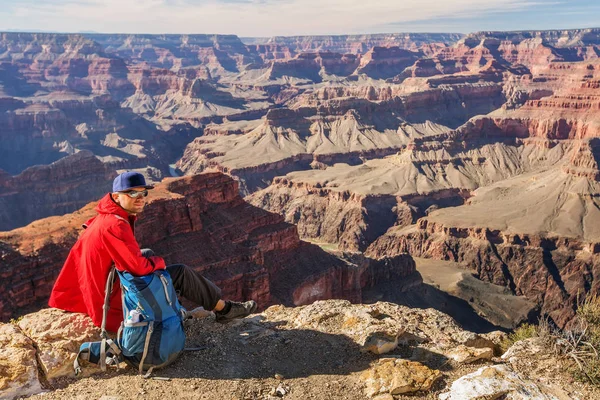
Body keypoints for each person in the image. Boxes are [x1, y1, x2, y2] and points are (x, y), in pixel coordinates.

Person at [48, 171, 257, 332]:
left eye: (143, 193)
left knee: (146, 252)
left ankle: (174, 307)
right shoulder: (115, 224)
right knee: (180, 273)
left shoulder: (104, 217)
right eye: (132, 193)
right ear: (115, 196)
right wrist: (159, 263)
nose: (140, 198)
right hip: (108, 299)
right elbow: (138, 269)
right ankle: (224, 310)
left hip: (99, 287)